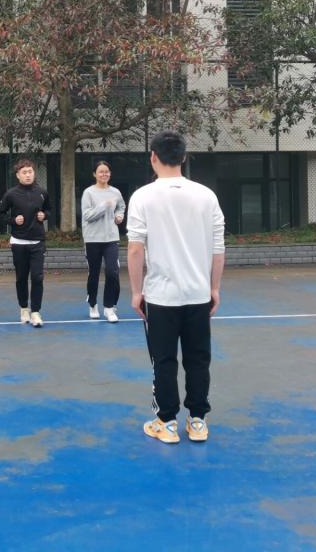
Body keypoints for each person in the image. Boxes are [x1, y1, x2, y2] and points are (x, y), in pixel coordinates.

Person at [127, 131, 225, 444]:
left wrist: (136, 292)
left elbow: (135, 249)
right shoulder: (207, 196)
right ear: (183, 157)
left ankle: (166, 423)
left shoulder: (142, 196)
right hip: (198, 294)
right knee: (198, 360)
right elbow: (218, 248)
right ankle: (198, 422)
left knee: (164, 360)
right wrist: (214, 288)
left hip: (161, 297)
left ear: (153, 157)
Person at [0, 158, 51, 327]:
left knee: (37, 277)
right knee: (21, 277)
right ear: (18, 175)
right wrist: (13, 220)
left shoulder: (42, 192)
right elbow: (1, 215)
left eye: (30, 172)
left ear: (34, 173)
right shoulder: (11, 194)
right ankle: (24, 308)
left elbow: (49, 209)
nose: (28, 175)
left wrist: (45, 215)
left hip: (37, 242)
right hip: (18, 242)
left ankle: (36, 312)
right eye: (24, 172)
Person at [81, 160, 126, 322]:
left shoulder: (115, 192)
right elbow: (87, 216)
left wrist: (119, 216)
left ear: (110, 174)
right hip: (93, 239)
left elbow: (121, 206)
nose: (104, 174)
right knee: (94, 273)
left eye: (106, 171)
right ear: (95, 174)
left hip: (111, 238)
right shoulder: (88, 193)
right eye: (101, 171)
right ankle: (93, 304)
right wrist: (104, 206)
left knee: (112, 272)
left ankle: (109, 307)